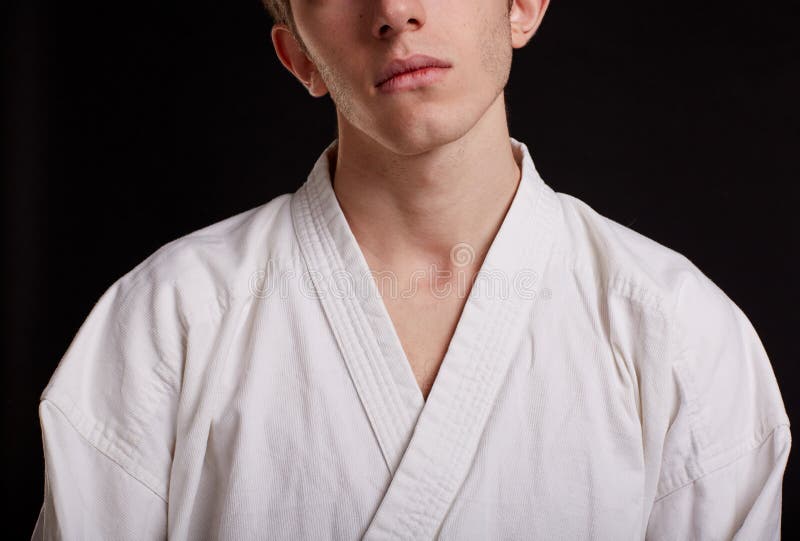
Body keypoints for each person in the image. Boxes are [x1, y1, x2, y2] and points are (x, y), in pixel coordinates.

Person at [32, 0, 791, 539]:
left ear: (522, 5)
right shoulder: (167, 324)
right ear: (299, 55)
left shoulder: (680, 332)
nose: (394, 10)